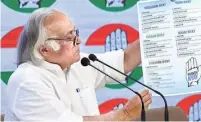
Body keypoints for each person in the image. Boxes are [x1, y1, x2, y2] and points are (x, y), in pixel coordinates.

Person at [4, 8, 152, 121]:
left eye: (76, 33)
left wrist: (158, 32)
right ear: (44, 49)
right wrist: (124, 114)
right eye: (70, 38)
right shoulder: (26, 82)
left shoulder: (81, 63)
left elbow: (125, 61)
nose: (79, 41)